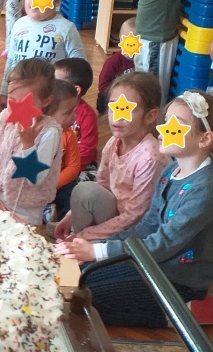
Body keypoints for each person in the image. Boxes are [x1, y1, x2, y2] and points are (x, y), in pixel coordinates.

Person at [56, 90, 213, 328]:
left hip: (180, 279)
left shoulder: (208, 190)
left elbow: (163, 243)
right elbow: (148, 225)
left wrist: (98, 251)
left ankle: (183, 313)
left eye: (175, 124)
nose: (162, 130)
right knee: (76, 278)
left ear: (205, 138)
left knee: (82, 300)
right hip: (153, 262)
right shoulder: (171, 171)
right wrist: (97, 248)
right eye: (165, 122)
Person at [54, 72, 167, 242]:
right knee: (84, 190)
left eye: (127, 110)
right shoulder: (114, 142)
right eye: (113, 108)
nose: (117, 117)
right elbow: (102, 185)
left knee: (84, 194)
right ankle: (80, 242)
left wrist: (82, 236)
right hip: (116, 214)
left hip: (137, 229)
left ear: (150, 116)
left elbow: (135, 216)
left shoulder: (149, 158)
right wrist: (70, 217)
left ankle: (83, 245)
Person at [0, 58, 63, 226]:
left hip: (24, 212)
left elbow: (36, 178)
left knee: (7, 237)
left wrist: (28, 144)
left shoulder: (49, 132)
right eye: (12, 99)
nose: (16, 107)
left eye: (24, 102)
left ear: (46, 101)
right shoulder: (2, 120)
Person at [0, 0, 85, 108]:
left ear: (56, 1)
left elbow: (80, 65)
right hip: (20, 96)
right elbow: (11, 61)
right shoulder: (18, 25)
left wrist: (70, 96)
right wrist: (4, 92)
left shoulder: (66, 28)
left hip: (51, 99)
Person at [53, 57, 98, 181]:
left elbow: (87, 150)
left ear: (76, 90)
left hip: (82, 165)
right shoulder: (51, 107)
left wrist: (69, 168)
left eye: (57, 81)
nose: (52, 85)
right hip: (57, 161)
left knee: (87, 182)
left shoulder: (88, 115)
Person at [46, 79, 81, 223]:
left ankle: (63, 222)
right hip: (35, 186)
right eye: (68, 112)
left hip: (60, 184)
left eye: (74, 110)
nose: (75, 116)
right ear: (48, 114)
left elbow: (73, 166)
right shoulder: (34, 135)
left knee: (75, 196)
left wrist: (53, 185)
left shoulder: (68, 134)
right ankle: (46, 211)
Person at [97, 17, 136, 114]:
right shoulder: (112, 62)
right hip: (115, 96)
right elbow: (103, 86)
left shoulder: (143, 62)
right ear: (120, 38)